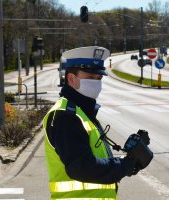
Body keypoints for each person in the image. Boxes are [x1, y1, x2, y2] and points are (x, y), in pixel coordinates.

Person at [43, 46, 145, 200]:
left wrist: (130, 163)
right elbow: (82, 167)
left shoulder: (81, 112)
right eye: (90, 78)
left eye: (99, 79)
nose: (96, 83)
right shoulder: (67, 116)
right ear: (71, 79)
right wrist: (123, 166)